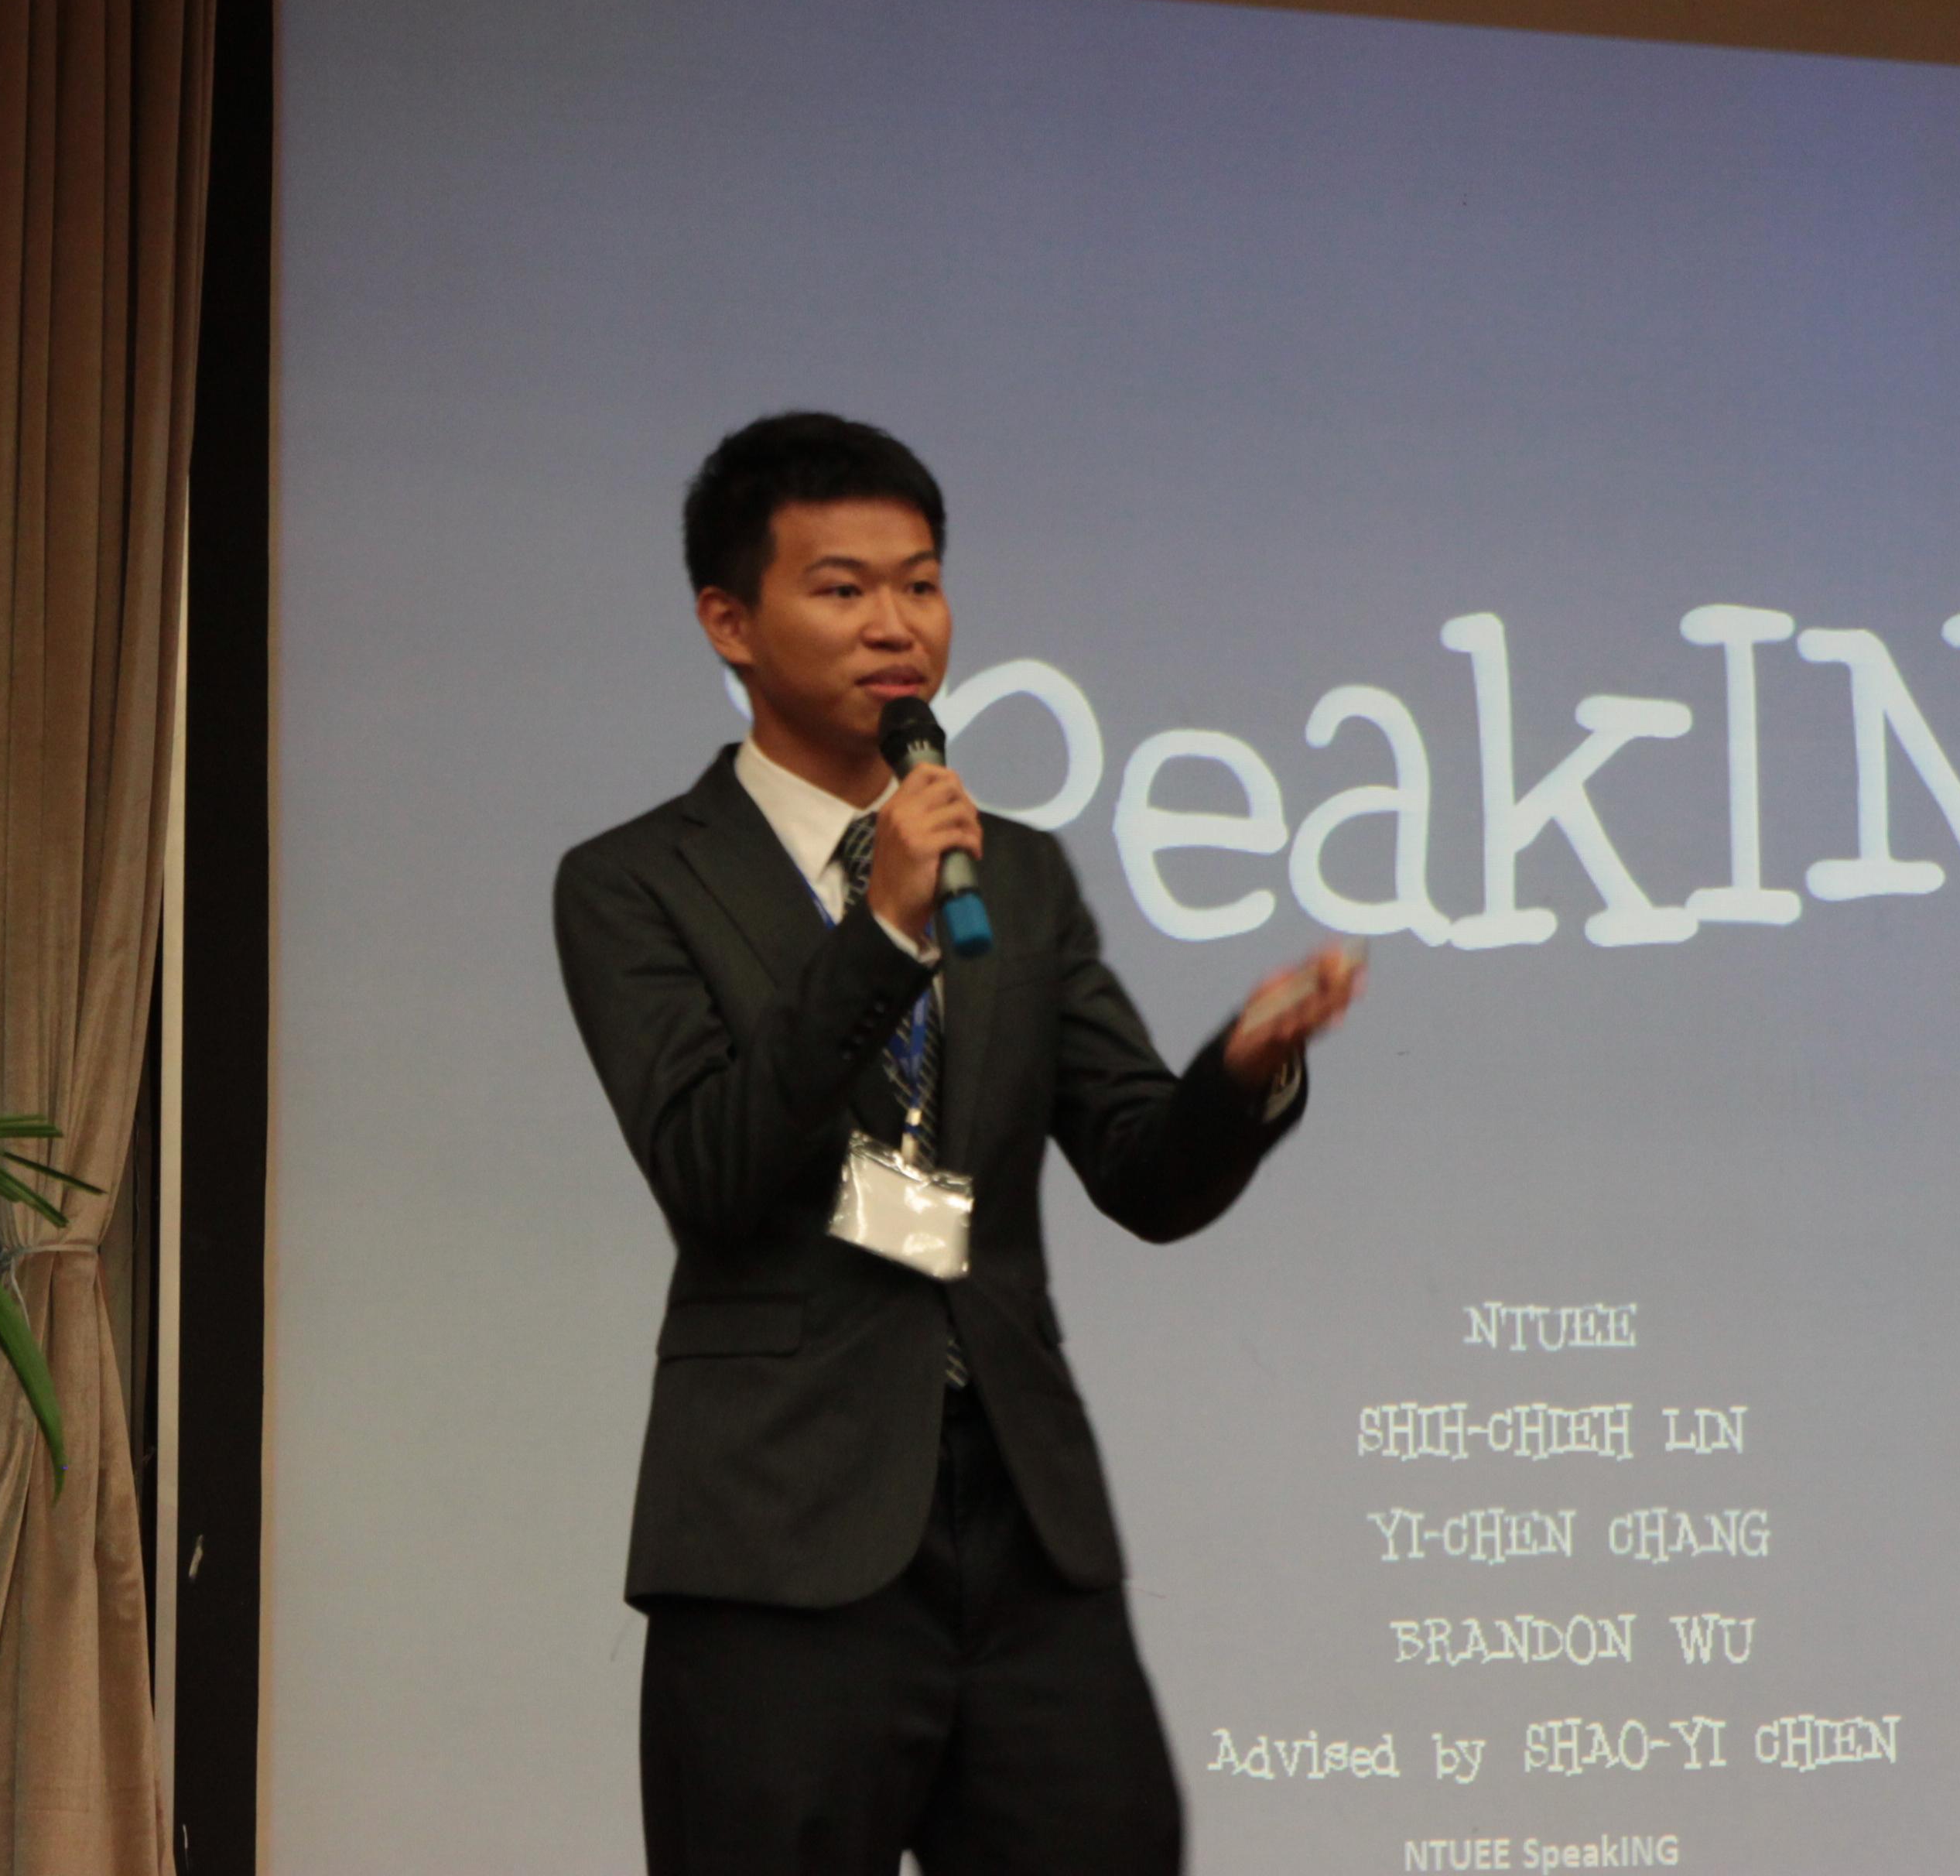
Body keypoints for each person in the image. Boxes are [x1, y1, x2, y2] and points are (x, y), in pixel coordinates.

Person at [553, 409, 1363, 1876]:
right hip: (779, 1538)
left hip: (1026, 1526)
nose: (898, 626)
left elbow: (1142, 1171)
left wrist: (1244, 1072)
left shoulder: (1019, 874)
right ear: (729, 623)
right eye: (843, 588)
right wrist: (879, 933)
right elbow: (713, 1172)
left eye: (921, 584)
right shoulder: (633, 884)